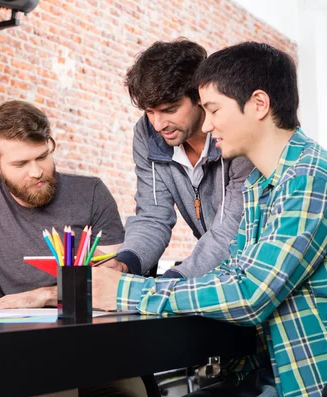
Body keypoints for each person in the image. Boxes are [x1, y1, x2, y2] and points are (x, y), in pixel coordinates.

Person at [92, 42, 327, 397]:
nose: (209, 124)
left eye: (213, 109)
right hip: (266, 365)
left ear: (259, 104)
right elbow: (233, 273)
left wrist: (126, 291)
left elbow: (250, 294)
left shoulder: (309, 180)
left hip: (310, 379)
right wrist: (125, 272)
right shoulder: (263, 184)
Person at [0, 100, 125, 311]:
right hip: (16, 332)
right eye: (20, 164)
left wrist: (42, 296)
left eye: (42, 157)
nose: (36, 172)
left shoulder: (91, 193)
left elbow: (112, 282)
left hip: (85, 326)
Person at [105, 39, 253, 279]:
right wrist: (125, 263)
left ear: (199, 96)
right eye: (150, 111)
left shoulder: (233, 135)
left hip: (252, 272)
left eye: (170, 109)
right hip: (212, 275)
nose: (158, 124)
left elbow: (231, 231)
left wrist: (173, 281)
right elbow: (152, 216)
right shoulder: (147, 134)